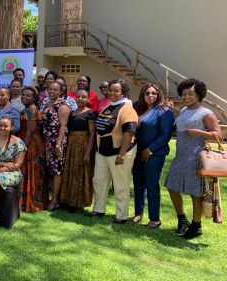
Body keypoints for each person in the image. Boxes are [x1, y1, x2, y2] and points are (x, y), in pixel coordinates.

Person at [165, 78, 222, 239]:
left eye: (191, 93)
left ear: (199, 94)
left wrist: (199, 133)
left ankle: (196, 225)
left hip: (195, 156)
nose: (186, 96)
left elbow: (218, 135)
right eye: (184, 94)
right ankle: (182, 219)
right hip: (181, 156)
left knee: (194, 192)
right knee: (171, 186)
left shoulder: (206, 113)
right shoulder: (183, 110)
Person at [89, 79, 138, 224]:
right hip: (103, 152)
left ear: (123, 92)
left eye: (116, 91)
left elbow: (129, 133)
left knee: (120, 184)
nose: (112, 93)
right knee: (99, 181)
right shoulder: (109, 106)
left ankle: (121, 216)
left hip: (119, 153)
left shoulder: (127, 109)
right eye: (110, 90)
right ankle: (99, 209)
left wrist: (121, 155)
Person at [132, 83, 174, 228]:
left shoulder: (164, 111)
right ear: (142, 95)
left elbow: (165, 135)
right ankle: (138, 213)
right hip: (136, 152)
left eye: (154, 93)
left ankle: (154, 218)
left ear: (158, 95)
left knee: (151, 185)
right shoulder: (137, 109)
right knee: (138, 184)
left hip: (154, 154)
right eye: (147, 93)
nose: (151, 96)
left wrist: (149, 150)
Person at [60, 89, 96, 212]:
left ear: (88, 99)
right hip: (71, 145)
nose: (80, 98)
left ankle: (79, 203)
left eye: (84, 97)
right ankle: (69, 200)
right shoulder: (72, 113)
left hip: (83, 145)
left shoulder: (90, 113)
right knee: (71, 171)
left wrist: (87, 152)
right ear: (75, 98)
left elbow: (92, 134)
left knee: (82, 173)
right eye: (78, 96)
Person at [41, 81, 70, 211]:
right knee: (50, 169)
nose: (52, 91)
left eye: (55, 90)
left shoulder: (62, 106)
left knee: (57, 170)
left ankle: (55, 200)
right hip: (47, 140)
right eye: (50, 89)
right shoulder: (47, 103)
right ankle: (50, 198)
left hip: (57, 141)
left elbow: (63, 125)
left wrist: (58, 144)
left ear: (60, 92)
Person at [18, 86, 47, 212]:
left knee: (30, 171)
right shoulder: (27, 108)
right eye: (23, 94)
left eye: (28, 95)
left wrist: (23, 149)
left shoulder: (32, 110)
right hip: (26, 140)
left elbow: (30, 131)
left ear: (34, 98)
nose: (24, 97)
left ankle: (31, 201)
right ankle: (24, 200)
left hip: (31, 144)